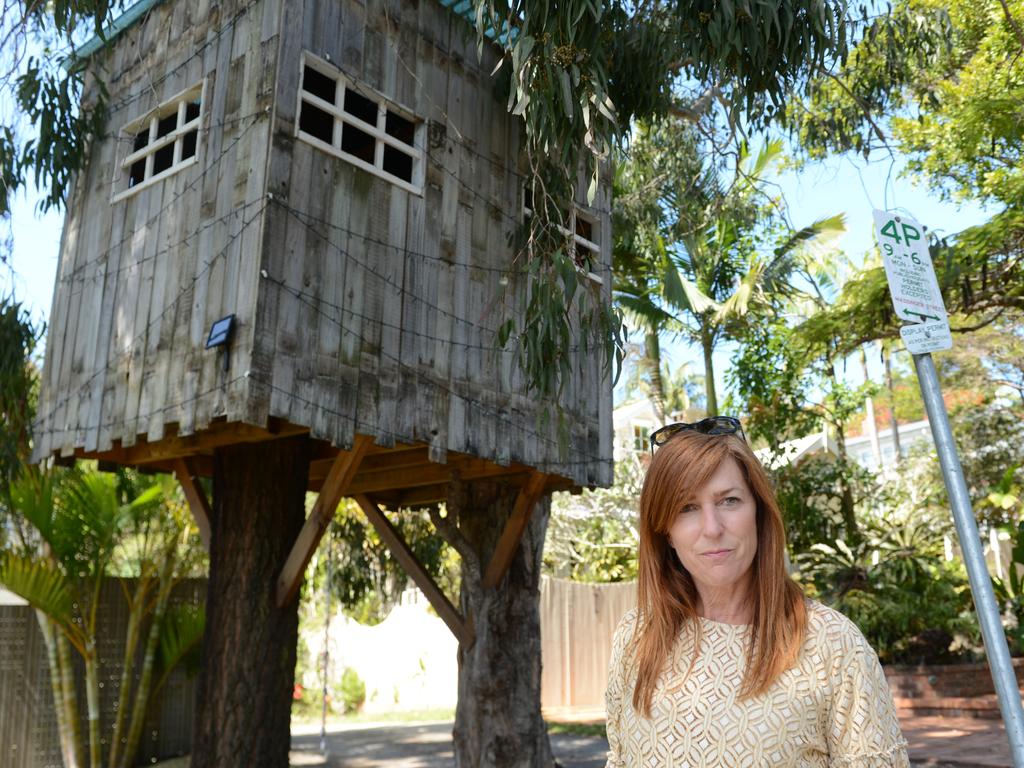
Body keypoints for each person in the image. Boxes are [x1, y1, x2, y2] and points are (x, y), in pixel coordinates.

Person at [604, 417, 909, 767]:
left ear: (759, 513)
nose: (712, 528)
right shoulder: (635, 638)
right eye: (687, 507)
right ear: (665, 531)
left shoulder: (832, 645)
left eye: (729, 501)